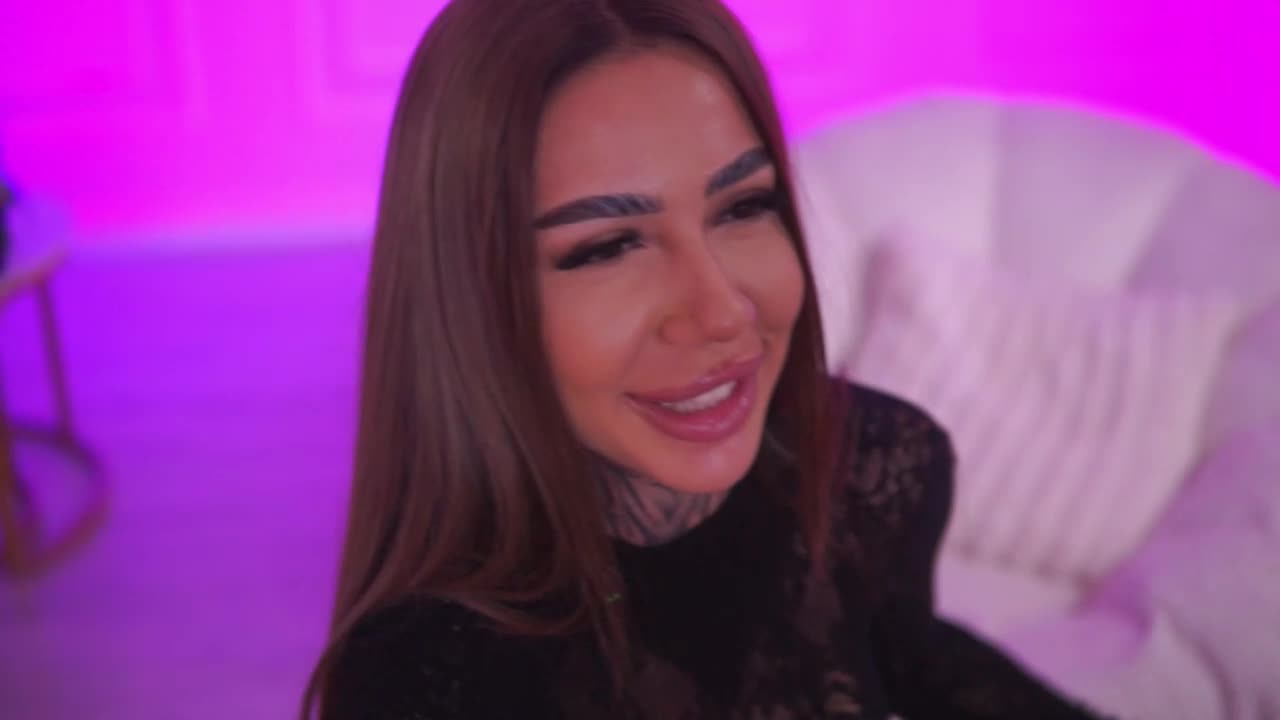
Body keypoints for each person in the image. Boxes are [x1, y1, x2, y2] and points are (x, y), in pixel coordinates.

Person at [303, 0, 1110, 717]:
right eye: (608, 247)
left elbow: (909, 657)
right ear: (473, 300)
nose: (722, 311)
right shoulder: (429, 682)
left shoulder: (871, 465)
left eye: (742, 206)